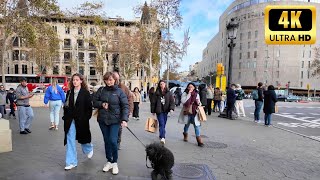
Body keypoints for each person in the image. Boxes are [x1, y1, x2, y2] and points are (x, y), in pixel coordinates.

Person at [93, 72, 129, 175]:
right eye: (107, 79)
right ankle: (109, 161)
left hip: (115, 121)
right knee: (107, 141)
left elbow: (125, 106)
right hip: (103, 120)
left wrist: (124, 119)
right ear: (105, 80)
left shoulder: (120, 92)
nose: (110, 81)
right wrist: (102, 104)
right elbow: (94, 102)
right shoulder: (101, 90)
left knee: (113, 141)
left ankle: (115, 162)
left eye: (111, 79)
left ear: (115, 80)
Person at [62, 73, 93, 170]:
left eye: (77, 79)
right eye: (73, 80)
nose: (75, 81)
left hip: (81, 120)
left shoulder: (85, 93)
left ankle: (89, 148)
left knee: (83, 139)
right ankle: (71, 162)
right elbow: (66, 105)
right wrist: (66, 116)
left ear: (81, 81)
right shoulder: (69, 92)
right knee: (70, 139)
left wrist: (86, 118)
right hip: (70, 119)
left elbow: (89, 108)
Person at [178, 82, 204, 147]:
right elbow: (183, 102)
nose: (190, 88)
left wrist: (199, 103)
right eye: (189, 87)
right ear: (187, 87)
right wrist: (188, 94)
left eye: (191, 87)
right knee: (186, 125)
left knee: (197, 126)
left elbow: (199, 102)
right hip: (187, 112)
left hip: (195, 112)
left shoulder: (196, 94)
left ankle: (199, 141)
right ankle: (185, 135)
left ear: (194, 87)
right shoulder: (185, 93)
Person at [150, 80, 175, 144]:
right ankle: (163, 137)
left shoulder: (169, 93)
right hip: (159, 110)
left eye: (163, 84)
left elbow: (172, 101)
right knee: (161, 123)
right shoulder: (157, 93)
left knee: (163, 124)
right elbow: (153, 102)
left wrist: (171, 109)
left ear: (165, 85)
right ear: (159, 85)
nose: (162, 85)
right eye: (161, 84)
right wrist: (153, 111)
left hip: (166, 110)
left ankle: (161, 134)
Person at [113, 71, 133, 150]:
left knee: (119, 129)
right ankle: (112, 143)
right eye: (114, 78)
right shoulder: (107, 87)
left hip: (121, 112)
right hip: (111, 113)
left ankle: (117, 143)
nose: (115, 79)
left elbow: (130, 98)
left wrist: (130, 111)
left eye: (117, 78)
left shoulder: (123, 87)